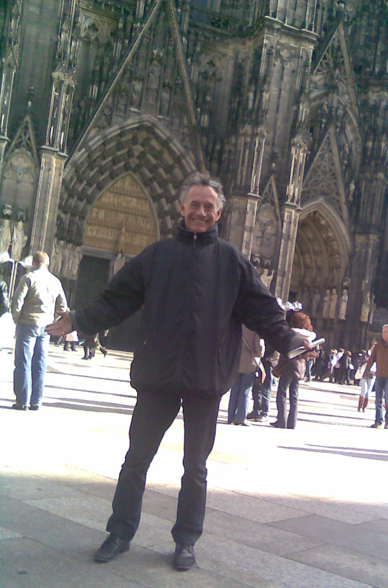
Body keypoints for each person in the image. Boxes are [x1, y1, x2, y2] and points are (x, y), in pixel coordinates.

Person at [45, 173, 310, 572]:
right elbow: (118, 299)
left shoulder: (231, 261)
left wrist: (288, 340)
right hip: (158, 376)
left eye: (209, 206)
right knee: (136, 459)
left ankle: (186, 540)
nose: (201, 212)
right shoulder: (157, 256)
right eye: (195, 204)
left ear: (218, 212)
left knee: (195, 468)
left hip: (205, 379)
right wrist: (80, 319)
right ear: (182, 208)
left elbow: (262, 309)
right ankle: (120, 532)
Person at [11, 251, 68, 410]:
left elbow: (17, 301)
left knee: (23, 361)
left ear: (33, 263)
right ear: (47, 264)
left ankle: (22, 401)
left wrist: (17, 319)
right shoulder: (55, 281)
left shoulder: (28, 278)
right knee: (40, 363)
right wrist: (53, 322)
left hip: (28, 323)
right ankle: (36, 401)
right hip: (45, 327)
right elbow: (63, 307)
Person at [271, 313, 317, 429]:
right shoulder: (309, 336)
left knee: (282, 393)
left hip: (288, 365)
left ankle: (281, 420)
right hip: (300, 367)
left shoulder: (292, 334)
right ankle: (292, 423)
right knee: (294, 395)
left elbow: (284, 348)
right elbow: (313, 353)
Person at [363, 324, 388, 429]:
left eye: (385, 332)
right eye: (383, 331)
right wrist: (366, 371)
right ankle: (378, 421)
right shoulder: (378, 345)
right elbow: (371, 359)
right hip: (380, 375)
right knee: (378, 398)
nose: (383, 333)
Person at [227, 326, 264, 426]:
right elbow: (259, 347)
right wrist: (260, 354)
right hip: (249, 361)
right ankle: (241, 418)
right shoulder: (254, 328)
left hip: (236, 360)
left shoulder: (238, 326)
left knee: (234, 389)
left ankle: (231, 416)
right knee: (245, 390)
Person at [247, 346, 279, 423]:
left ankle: (264, 412)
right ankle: (257, 410)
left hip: (268, 361)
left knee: (265, 388)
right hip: (261, 361)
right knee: (256, 386)